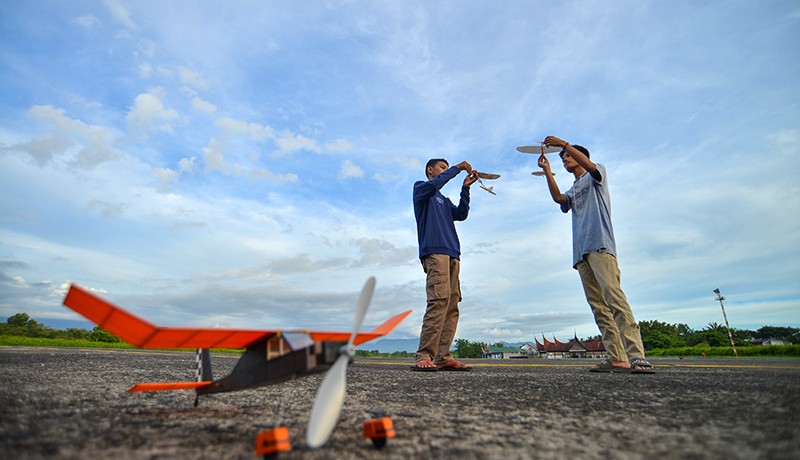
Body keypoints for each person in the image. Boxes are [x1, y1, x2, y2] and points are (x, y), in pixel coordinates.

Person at [537, 135, 654, 373]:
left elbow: (590, 166)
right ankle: (616, 357)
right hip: (581, 251)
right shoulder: (574, 187)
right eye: (562, 158)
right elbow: (560, 199)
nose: (564, 159)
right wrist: (548, 171)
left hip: (600, 245)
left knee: (614, 298)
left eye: (567, 156)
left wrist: (564, 144)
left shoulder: (596, 173)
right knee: (598, 306)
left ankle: (636, 355)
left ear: (581, 156)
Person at [412, 158, 479, 371]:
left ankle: (442, 356)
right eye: (442, 167)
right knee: (438, 300)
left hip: (452, 253)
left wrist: (465, 189)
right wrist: (456, 169)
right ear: (430, 170)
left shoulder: (444, 200)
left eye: (446, 167)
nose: (444, 170)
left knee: (452, 305)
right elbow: (435, 184)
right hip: (434, 251)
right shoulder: (422, 189)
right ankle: (425, 355)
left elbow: (461, 214)